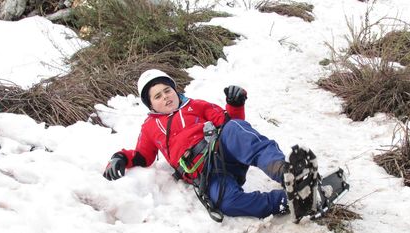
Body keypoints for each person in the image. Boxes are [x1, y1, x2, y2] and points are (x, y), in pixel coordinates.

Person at [103, 69, 318, 221]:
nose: (165, 97)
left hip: (220, 150)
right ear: (151, 104)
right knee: (227, 203)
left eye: (167, 90)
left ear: (175, 91)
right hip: (207, 174)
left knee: (234, 130)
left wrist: (235, 104)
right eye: (157, 96)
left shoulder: (196, 105)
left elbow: (228, 122)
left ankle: (286, 172)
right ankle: (291, 200)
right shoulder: (150, 128)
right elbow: (142, 156)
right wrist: (120, 158)